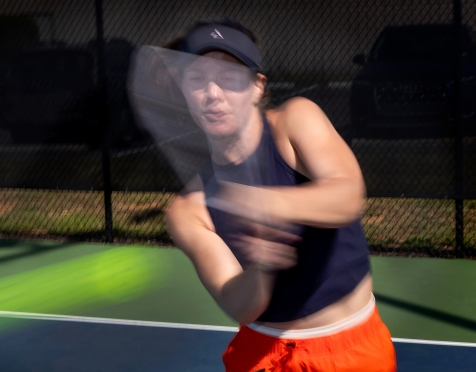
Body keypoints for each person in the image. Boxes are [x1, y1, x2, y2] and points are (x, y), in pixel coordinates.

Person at [163, 19, 397, 371]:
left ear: (257, 87)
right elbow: (238, 304)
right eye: (196, 79)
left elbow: (348, 195)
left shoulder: (295, 120)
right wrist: (263, 265)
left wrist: (263, 202)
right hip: (261, 356)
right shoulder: (188, 209)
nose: (213, 93)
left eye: (229, 78)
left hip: (352, 352)